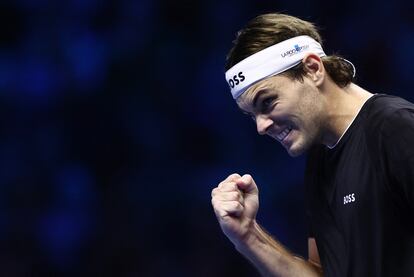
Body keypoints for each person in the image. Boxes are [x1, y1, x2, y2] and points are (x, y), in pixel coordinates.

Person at [211, 13, 414, 276]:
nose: (260, 127)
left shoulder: (395, 129)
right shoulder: (318, 161)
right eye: (252, 115)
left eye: (268, 102)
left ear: (313, 69)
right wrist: (248, 237)